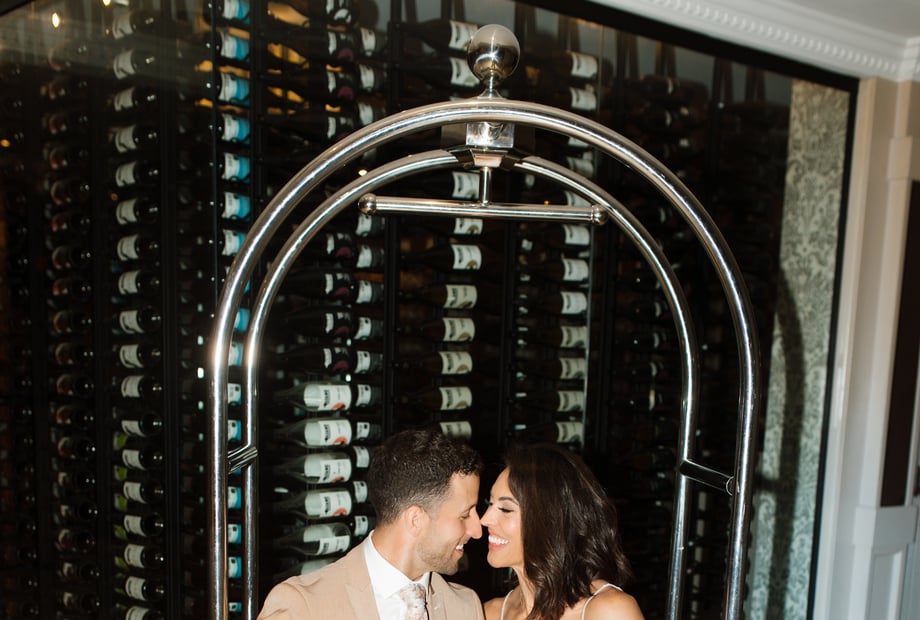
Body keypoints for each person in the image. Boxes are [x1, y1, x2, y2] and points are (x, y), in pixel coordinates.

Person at [258, 428, 486, 619]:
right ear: (415, 520)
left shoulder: (466, 608)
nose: (477, 531)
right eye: (465, 515)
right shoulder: (302, 607)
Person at [481, 443, 644, 620]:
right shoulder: (489, 613)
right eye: (490, 503)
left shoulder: (609, 611)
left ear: (550, 520)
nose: (485, 519)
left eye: (505, 509)